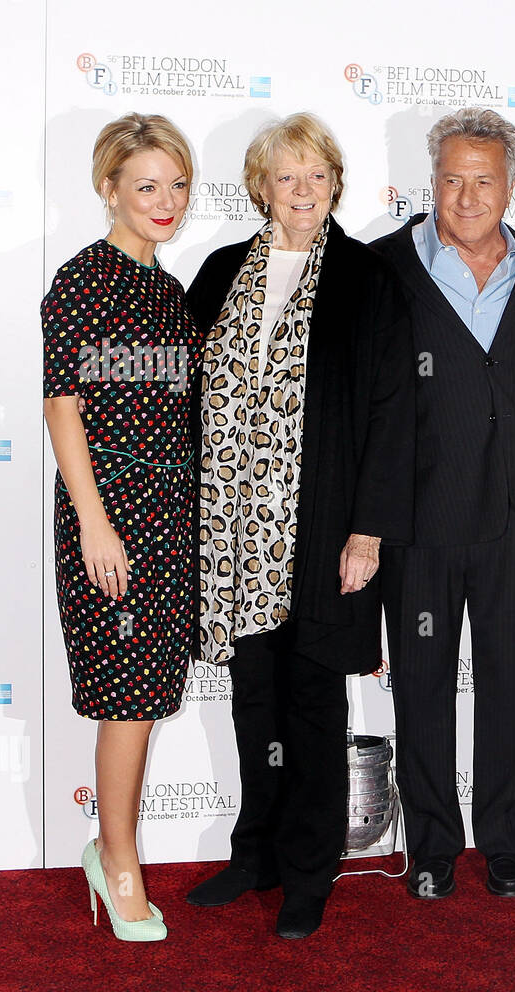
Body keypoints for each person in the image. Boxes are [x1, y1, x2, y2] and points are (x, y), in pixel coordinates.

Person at [183, 113, 415, 939]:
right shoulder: (216, 274)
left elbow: (393, 413)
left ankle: (311, 870)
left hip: (317, 534)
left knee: (313, 700)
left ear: (336, 184)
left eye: (318, 174)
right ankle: (257, 854)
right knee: (253, 699)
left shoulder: (365, 279)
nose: (305, 190)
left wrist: (368, 532)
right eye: (288, 177)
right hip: (232, 535)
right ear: (262, 188)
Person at [372, 108, 515, 902]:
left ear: (510, 186)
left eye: (482, 179)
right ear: (431, 180)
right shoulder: (383, 267)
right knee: (421, 690)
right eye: (451, 177)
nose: (465, 194)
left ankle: (505, 842)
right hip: (418, 523)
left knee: (510, 689)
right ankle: (430, 846)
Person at [42, 113, 202, 942]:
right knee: (128, 699)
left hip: (170, 523)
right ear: (109, 189)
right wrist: (95, 524)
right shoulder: (83, 281)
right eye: (147, 186)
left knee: (143, 695)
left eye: (176, 184)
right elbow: (62, 405)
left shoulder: (169, 292)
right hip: (111, 522)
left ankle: (111, 854)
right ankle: (118, 864)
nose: (165, 201)